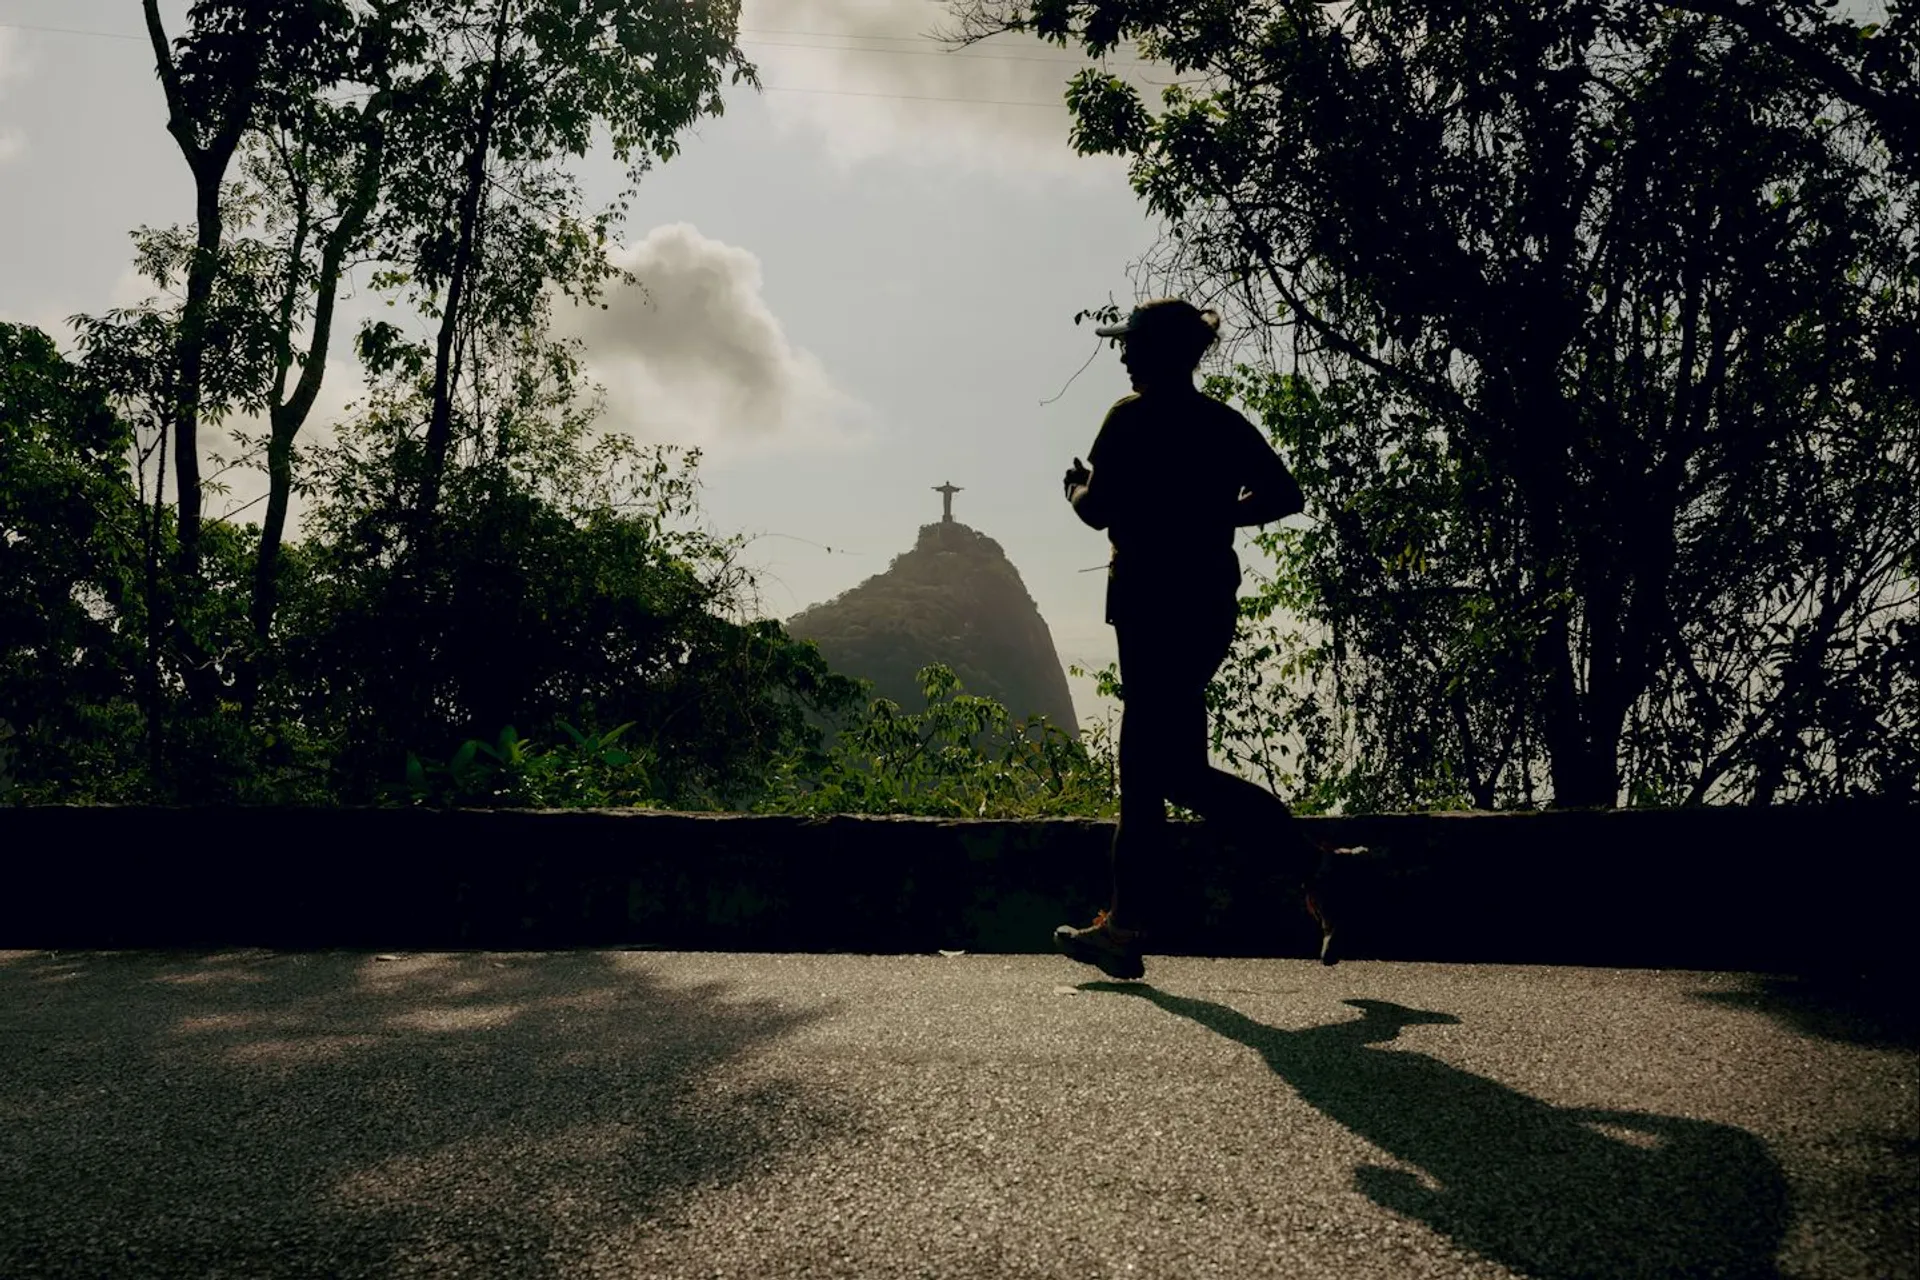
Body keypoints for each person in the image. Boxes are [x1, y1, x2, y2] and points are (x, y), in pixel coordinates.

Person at [1054, 298, 1339, 980]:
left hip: (1150, 606)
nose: (1121, 357)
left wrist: (1072, 487)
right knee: (1162, 772)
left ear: (1157, 353)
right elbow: (1285, 495)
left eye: (1130, 347)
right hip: (1208, 604)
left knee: (1153, 771)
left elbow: (1098, 510)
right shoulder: (1221, 425)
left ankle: (1309, 871)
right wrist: (1214, 511)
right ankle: (1128, 924)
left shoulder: (1130, 419)